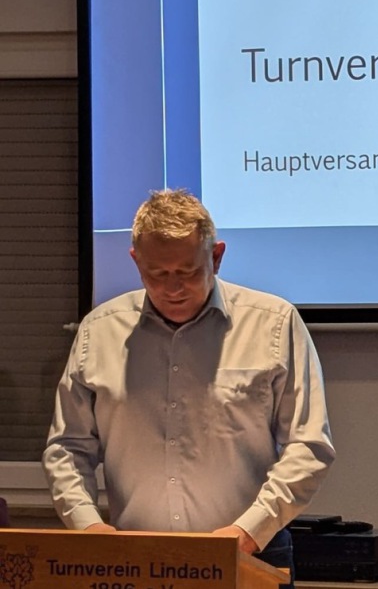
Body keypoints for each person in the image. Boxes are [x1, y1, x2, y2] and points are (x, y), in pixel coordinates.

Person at [42, 189, 335, 583]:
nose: (173, 288)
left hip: (251, 553)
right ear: (136, 261)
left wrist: (248, 531)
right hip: (132, 558)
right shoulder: (99, 332)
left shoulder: (274, 324)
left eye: (188, 271)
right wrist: (87, 526)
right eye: (157, 274)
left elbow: (309, 446)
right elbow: (67, 448)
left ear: (216, 257)